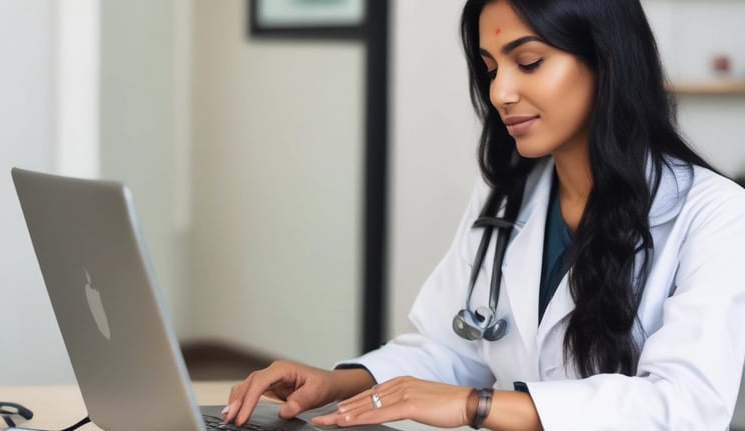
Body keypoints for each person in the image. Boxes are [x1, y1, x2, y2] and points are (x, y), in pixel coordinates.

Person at [223, 0, 745, 429]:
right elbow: (452, 350)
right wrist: (335, 383)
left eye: (530, 62)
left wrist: (477, 405)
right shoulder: (505, 196)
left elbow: (688, 407)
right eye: (491, 67)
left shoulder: (714, 214)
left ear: (606, 60)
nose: (500, 93)